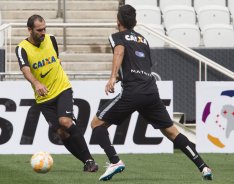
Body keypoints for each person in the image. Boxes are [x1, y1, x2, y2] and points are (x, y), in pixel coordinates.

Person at [91, 5, 213, 181]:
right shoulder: (143, 39)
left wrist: (112, 77)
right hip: (151, 91)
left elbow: (119, 52)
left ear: (118, 21)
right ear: (135, 22)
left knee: (96, 124)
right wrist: (120, 76)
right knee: (172, 132)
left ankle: (115, 161)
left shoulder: (116, 36)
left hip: (133, 91)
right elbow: (142, 65)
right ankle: (203, 167)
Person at [15, 14, 98, 172]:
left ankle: (90, 160)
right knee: (61, 132)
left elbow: (56, 58)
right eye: (39, 30)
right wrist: (36, 83)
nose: (43, 32)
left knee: (65, 122)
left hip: (62, 89)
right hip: (44, 98)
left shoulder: (51, 39)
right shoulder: (21, 48)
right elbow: (25, 70)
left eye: (44, 29)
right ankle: (87, 162)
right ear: (29, 30)